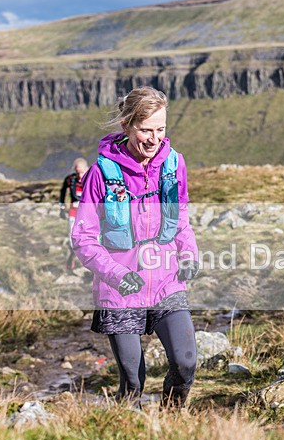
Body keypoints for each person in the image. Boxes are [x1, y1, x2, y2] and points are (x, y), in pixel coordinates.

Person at [72, 86, 200, 408]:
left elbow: (181, 217)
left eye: (160, 129)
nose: (154, 138)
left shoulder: (174, 164)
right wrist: (116, 274)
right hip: (121, 290)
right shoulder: (101, 173)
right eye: (145, 129)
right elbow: (83, 238)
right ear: (127, 125)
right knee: (133, 382)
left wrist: (189, 252)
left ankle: (172, 425)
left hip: (167, 282)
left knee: (185, 365)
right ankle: (122, 432)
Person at [59, 157, 89, 271]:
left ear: (86, 169)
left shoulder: (94, 178)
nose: (80, 176)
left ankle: (89, 264)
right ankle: (71, 258)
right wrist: (62, 207)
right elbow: (63, 191)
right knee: (73, 238)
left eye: (82, 173)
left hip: (89, 214)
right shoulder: (70, 180)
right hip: (73, 212)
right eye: (77, 173)